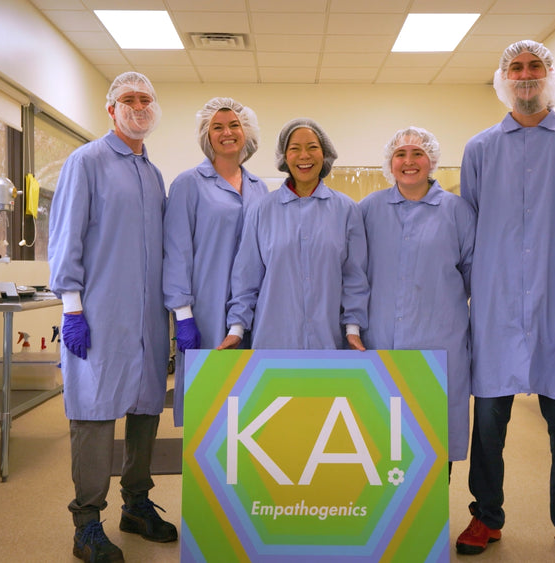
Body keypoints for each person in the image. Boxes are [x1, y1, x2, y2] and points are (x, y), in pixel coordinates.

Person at [456, 41, 555, 563]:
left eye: (534, 67)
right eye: (516, 68)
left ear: (549, 76)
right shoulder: (480, 149)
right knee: (490, 420)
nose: (525, 75)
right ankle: (486, 517)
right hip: (498, 303)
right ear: (503, 78)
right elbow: (472, 223)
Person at [48, 71, 177, 563]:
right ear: (111, 109)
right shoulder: (88, 161)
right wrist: (72, 308)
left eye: (146, 98)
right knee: (95, 415)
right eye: (129, 99)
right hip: (98, 314)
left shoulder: (152, 172)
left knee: (145, 409)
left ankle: (137, 506)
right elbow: (65, 240)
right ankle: (87, 523)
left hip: (145, 319)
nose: (139, 106)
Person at [358, 126, 475, 468]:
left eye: (418, 154)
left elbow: (472, 275)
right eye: (400, 154)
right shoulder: (368, 210)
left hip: (440, 342)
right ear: (389, 163)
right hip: (380, 341)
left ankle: (431, 511)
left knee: (432, 436)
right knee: (382, 436)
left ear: (432, 161)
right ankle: (387, 517)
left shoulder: (457, 212)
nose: (409, 162)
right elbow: (354, 273)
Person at [219, 118, 368, 351]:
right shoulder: (261, 210)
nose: (304, 156)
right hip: (273, 341)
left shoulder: (347, 210)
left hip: (327, 341)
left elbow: (354, 277)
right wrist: (236, 329)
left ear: (325, 154)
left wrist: (353, 329)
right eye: (295, 149)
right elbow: (246, 277)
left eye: (312, 147)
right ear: (284, 157)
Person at [163, 97, 268, 426]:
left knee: (250, 406)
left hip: (253, 309)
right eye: (217, 127)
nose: (227, 132)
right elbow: (176, 250)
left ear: (246, 132)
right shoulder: (188, 184)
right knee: (208, 408)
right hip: (205, 312)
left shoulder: (259, 188)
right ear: (206, 136)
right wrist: (183, 316)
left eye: (234, 125)